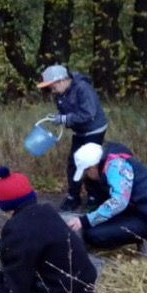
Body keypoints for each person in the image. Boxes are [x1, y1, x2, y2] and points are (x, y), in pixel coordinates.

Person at [66, 142, 147, 249]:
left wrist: (85, 220)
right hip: (138, 209)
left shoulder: (115, 167)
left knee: (94, 235)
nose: (86, 175)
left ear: (93, 167)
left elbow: (119, 201)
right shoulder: (111, 160)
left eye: (85, 171)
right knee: (94, 227)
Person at [36, 65, 109, 212]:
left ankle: (94, 197)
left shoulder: (83, 89)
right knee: (73, 162)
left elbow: (88, 114)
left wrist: (63, 119)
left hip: (94, 130)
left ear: (62, 80)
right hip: (79, 132)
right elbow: (66, 112)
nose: (52, 90)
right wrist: (57, 118)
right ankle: (73, 196)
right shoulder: (60, 94)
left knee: (90, 163)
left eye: (52, 86)